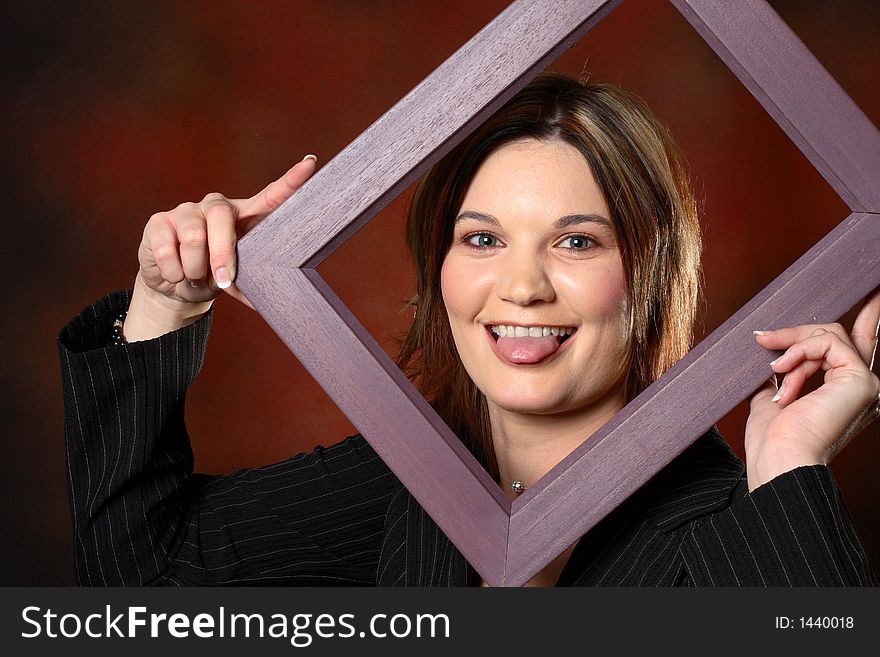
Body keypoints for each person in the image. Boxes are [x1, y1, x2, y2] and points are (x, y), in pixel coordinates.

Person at [58, 72, 879, 586]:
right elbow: (141, 579)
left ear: (652, 275)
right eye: (482, 239)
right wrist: (167, 301)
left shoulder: (747, 526)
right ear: (439, 266)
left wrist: (787, 468)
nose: (519, 287)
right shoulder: (409, 483)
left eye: (577, 241)